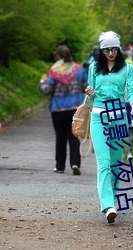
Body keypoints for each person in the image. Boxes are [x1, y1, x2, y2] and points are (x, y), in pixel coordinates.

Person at [85, 31, 133, 223]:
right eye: (106, 50)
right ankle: (108, 205)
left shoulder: (127, 68)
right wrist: (90, 92)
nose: (110, 53)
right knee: (104, 163)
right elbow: (91, 97)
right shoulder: (93, 68)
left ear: (119, 48)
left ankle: (113, 199)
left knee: (116, 163)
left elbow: (130, 90)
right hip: (99, 117)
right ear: (101, 50)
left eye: (114, 49)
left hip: (118, 116)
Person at [39, 45, 88, 175]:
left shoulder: (54, 71)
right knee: (74, 137)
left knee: (60, 138)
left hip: (58, 109)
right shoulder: (79, 70)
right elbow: (86, 87)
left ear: (58, 57)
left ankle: (60, 166)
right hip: (75, 109)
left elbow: (47, 90)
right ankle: (75, 163)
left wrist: (42, 83)